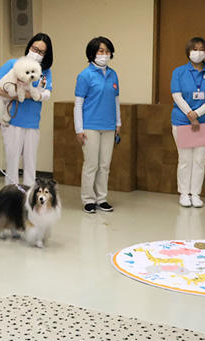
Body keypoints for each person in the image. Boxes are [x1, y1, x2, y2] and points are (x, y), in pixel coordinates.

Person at [0, 32, 54, 187]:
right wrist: (12, 95)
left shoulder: (45, 72)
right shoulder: (13, 63)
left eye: (41, 52)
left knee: (30, 164)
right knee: (12, 163)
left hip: (32, 123)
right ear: (29, 47)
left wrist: (31, 95)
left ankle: (29, 199)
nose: (36, 53)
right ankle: (10, 196)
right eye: (34, 48)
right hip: (13, 121)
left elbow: (47, 93)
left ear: (46, 55)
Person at [170, 37, 205, 208]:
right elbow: (176, 95)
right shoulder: (179, 72)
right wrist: (190, 114)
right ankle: (184, 193)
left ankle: (196, 194)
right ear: (188, 52)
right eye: (194, 49)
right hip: (182, 120)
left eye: (201, 49)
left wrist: (198, 114)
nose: (197, 52)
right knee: (185, 159)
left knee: (199, 159)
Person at [74, 36, 120, 214]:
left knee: (104, 164)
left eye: (107, 51)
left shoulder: (113, 74)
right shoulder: (84, 75)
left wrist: (118, 123)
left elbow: (116, 100)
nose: (105, 54)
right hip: (90, 126)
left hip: (109, 126)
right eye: (101, 51)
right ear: (92, 53)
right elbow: (78, 104)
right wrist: (79, 129)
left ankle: (102, 198)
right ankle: (88, 199)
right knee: (91, 164)